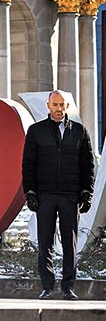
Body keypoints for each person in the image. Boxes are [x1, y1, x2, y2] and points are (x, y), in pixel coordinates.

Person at [22, 90, 95, 300]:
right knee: (44, 242)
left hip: (70, 196)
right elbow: (28, 164)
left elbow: (88, 165)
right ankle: (47, 286)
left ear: (67, 106)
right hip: (44, 195)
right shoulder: (36, 131)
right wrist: (30, 192)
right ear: (48, 106)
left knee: (69, 243)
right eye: (55, 105)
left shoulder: (79, 131)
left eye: (62, 105)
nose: (58, 108)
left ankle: (68, 286)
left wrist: (87, 193)